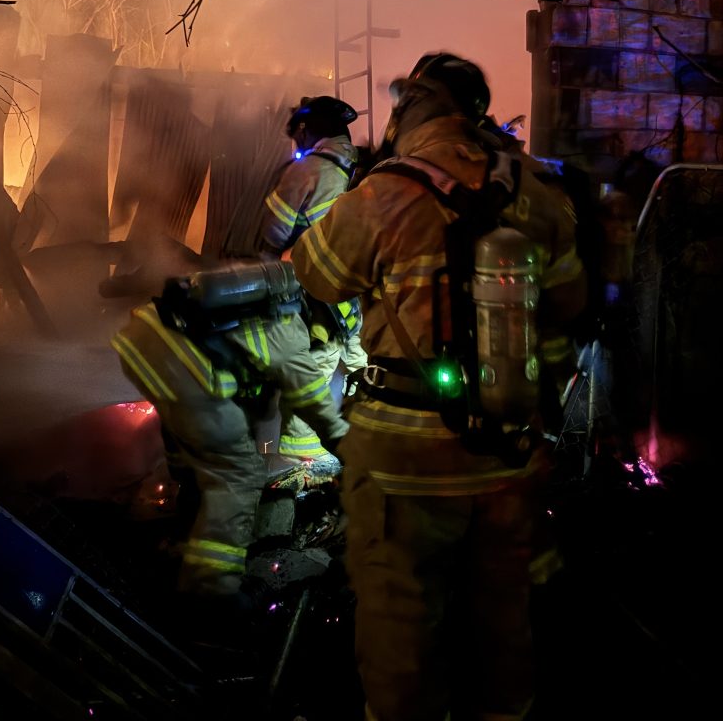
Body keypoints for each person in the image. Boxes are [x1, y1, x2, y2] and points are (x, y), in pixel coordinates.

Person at [290, 54, 588, 721]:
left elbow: (316, 274)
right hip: (508, 450)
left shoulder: (383, 192)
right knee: (503, 620)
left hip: (403, 463)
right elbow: (569, 300)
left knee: (401, 631)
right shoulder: (537, 189)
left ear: (410, 111)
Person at [110, 257, 349, 627]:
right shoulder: (292, 331)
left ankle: (182, 521)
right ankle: (212, 593)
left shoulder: (269, 298)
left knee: (193, 448)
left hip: (142, 344)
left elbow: (258, 396)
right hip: (182, 368)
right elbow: (316, 406)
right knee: (236, 475)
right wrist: (353, 454)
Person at [258, 95, 368, 461]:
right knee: (359, 364)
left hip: (313, 294)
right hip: (357, 293)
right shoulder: (366, 167)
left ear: (306, 131)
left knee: (311, 368)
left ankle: (301, 460)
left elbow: (273, 234)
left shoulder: (305, 171)